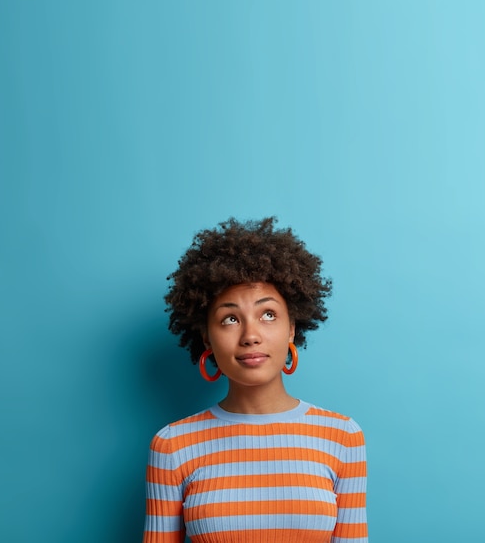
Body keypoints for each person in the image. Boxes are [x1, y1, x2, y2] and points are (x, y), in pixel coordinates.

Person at [143, 217, 368, 543]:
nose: (251, 335)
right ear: (207, 337)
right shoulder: (172, 446)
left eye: (268, 315)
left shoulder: (343, 438)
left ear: (292, 327)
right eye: (230, 319)